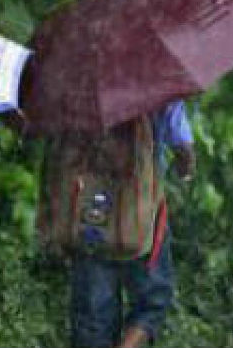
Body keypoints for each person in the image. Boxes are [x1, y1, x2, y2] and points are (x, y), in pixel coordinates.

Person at [39, 100, 195, 348]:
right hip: (140, 217)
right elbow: (183, 149)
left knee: (92, 318)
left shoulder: (73, 78)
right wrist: (184, 165)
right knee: (152, 300)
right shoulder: (155, 77)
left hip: (88, 214)